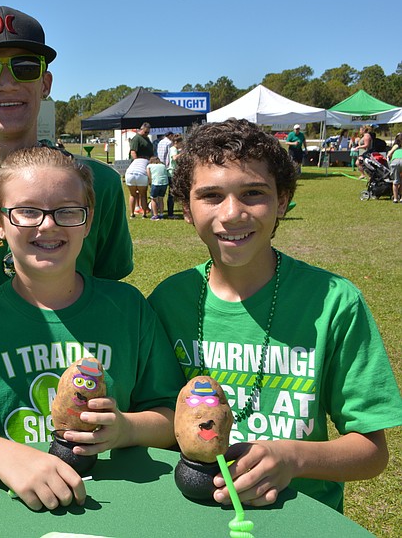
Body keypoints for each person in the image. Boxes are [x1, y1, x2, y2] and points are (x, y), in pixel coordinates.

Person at [0, 146, 185, 511]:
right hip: (17, 510)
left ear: (88, 220)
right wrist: (1, 456)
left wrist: (126, 429)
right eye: (27, 212)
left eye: (67, 211)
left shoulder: (128, 309)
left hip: (124, 505)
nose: (47, 225)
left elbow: (173, 415)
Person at [148, 118, 402, 512]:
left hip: (297, 518)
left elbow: (371, 453)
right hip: (189, 513)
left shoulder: (333, 302)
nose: (232, 214)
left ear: (282, 201)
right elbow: (158, 418)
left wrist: (291, 459)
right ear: (185, 209)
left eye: (253, 193)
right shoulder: (168, 300)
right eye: (211, 196)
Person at [0, 5, 133, 299]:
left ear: (45, 83)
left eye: (25, 67)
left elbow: (107, 297)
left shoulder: (99, 183)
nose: (6, 83)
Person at [124, 152, 150, 218]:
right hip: (141, 175)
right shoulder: (147, 161)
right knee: (143, 194)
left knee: (132, 194)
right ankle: (144, 214)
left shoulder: (134, 161)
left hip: (129, 174)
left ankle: (132, 214)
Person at [166, 135, 184, 218]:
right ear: (176, 142)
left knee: (172, 193)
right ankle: (170, 213)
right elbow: (174, 158)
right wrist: (182, 153)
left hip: (172, 173)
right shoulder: (173, 149)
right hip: (172, 173)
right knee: (172, 194)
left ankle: (171, 212)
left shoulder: (174, 149)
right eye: (181, 142)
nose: (182, 144)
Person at [146, 155, 169, 220]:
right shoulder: (163, 165)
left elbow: (148, 174)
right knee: (161, 199)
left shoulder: (149, 166)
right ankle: (161, 214)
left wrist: (150, 182)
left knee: (153, 199)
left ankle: (155, 215)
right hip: (164, 183)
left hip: (156, 183)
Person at [388, 132, 402, 203]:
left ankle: (395, 199)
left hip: (395, 162)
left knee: (395, 181)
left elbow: (389, 154)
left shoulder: (396, 145)